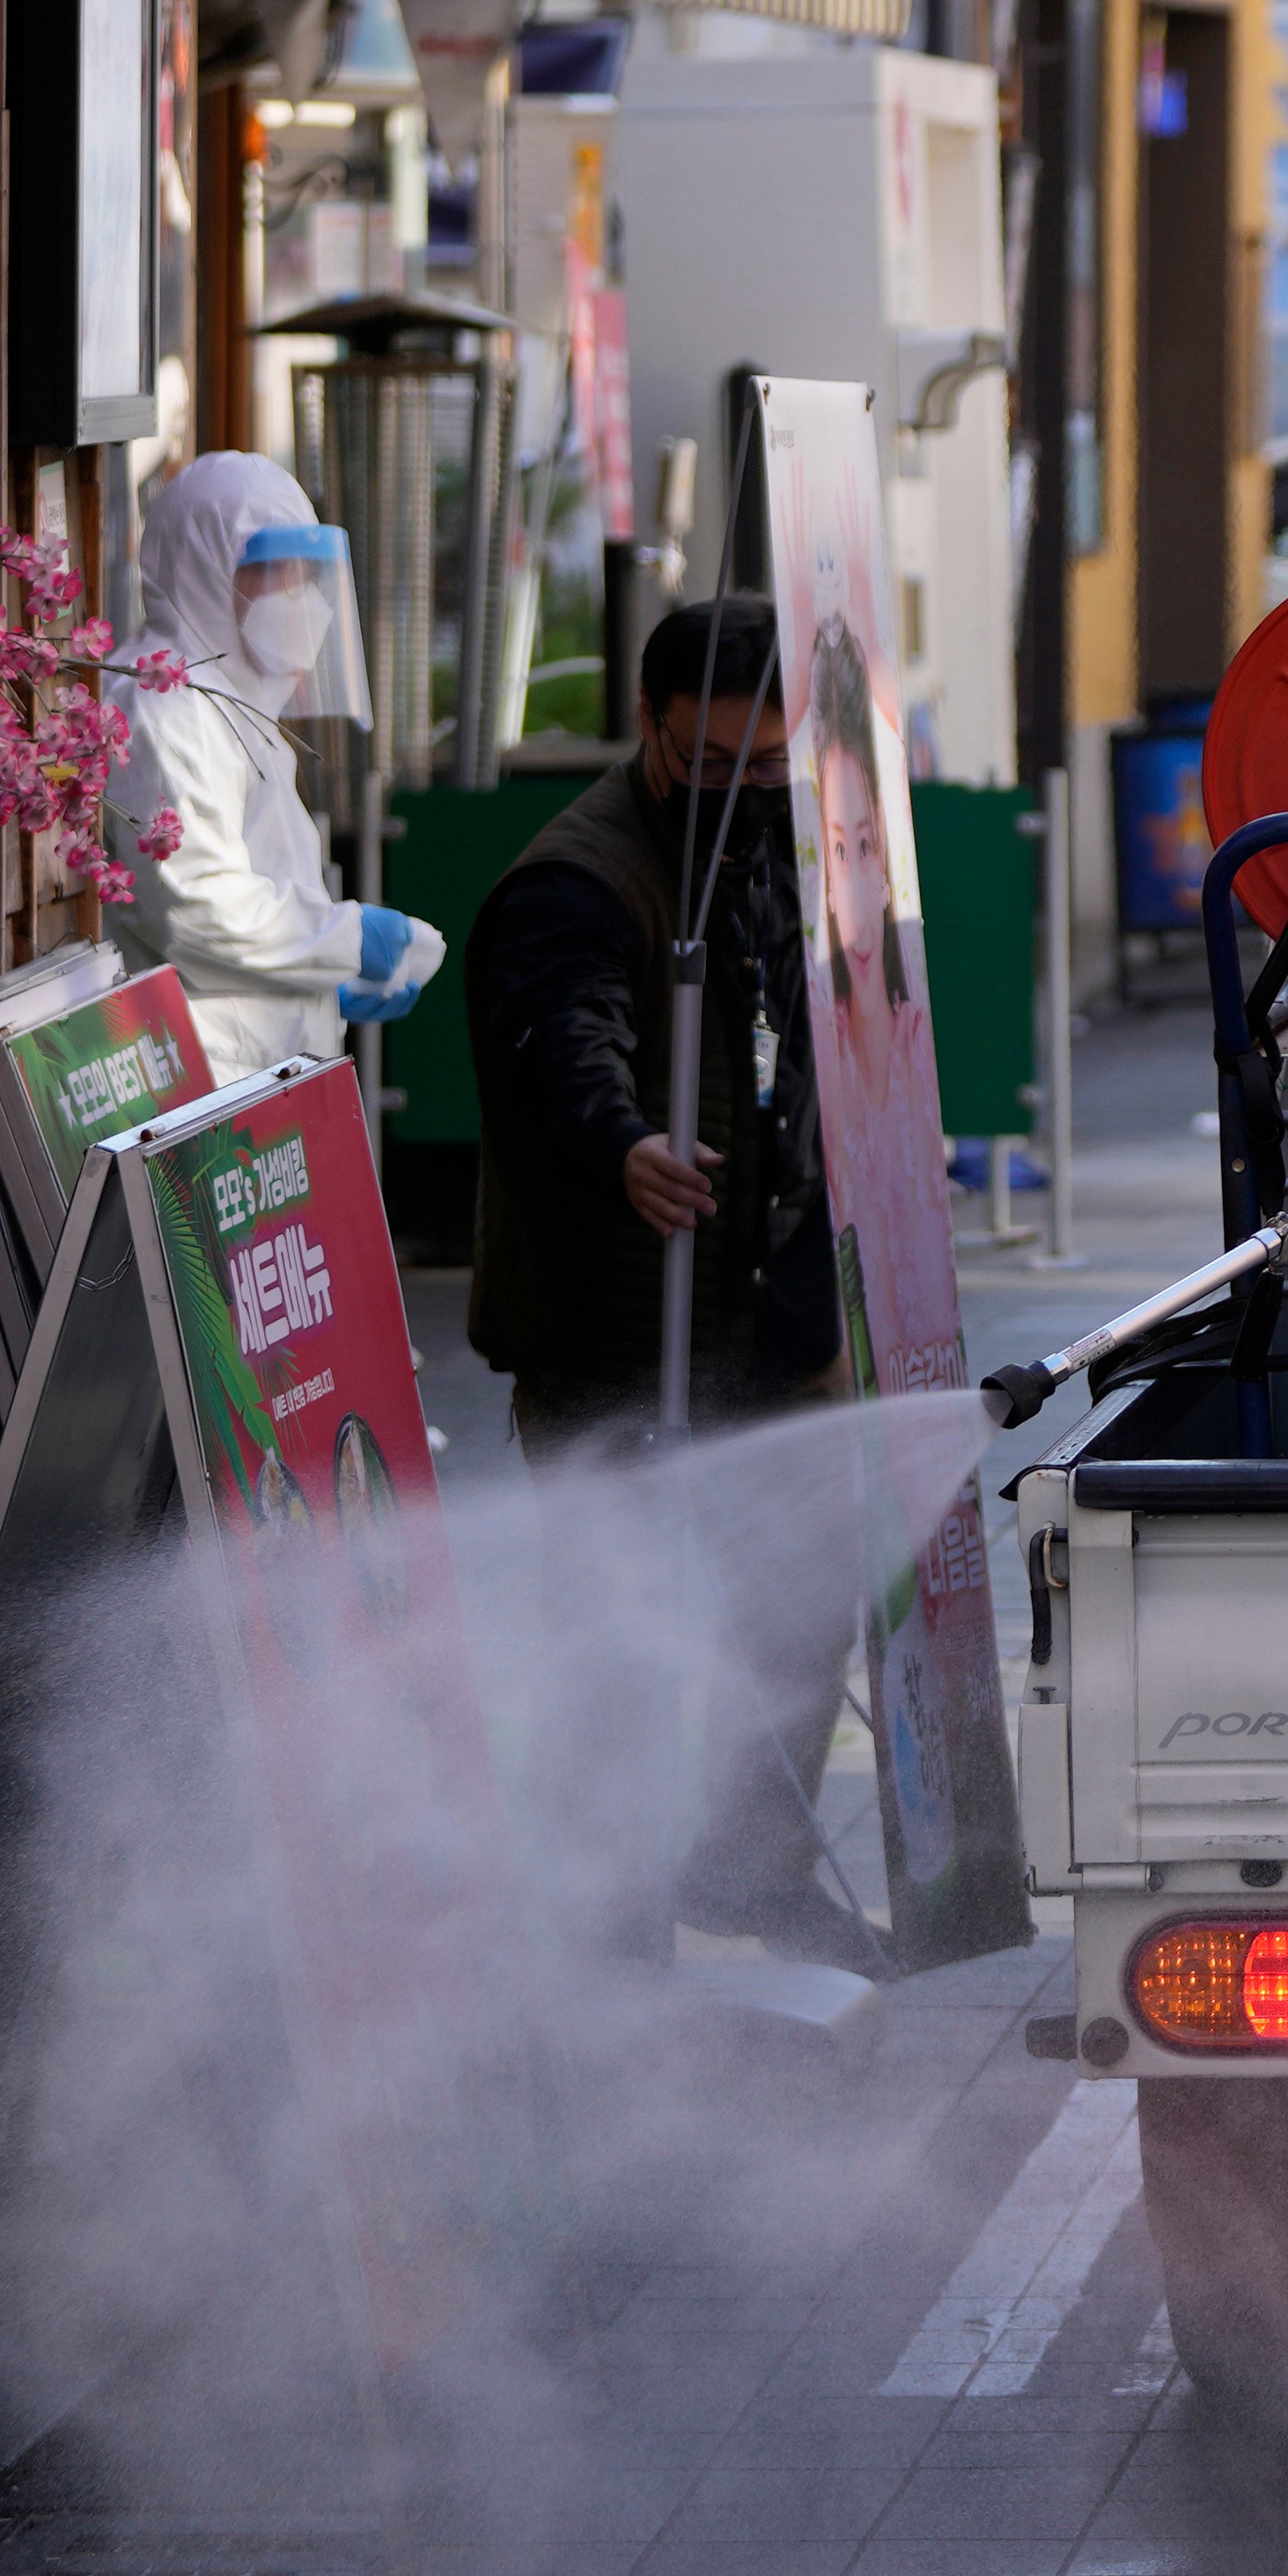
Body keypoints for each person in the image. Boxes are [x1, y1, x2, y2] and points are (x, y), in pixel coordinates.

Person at [462, 594, 868, 1966]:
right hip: (616, 1333)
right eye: (710, 765)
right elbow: (553, 1041)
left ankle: (747, 1873)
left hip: (770, 1313)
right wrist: (622, 1144)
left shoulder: (776, 838)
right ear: (648, 726)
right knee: (616, 1652)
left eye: (769, 769)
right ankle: (603, 1943)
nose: (745, 795)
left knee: (808, 1603)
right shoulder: (575, 881)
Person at [107, 451, 436, 1078]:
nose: (301, 596)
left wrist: (321, 985)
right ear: (203, 568)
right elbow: (194, 910)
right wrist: (345, 942)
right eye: (273, 571)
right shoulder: (163, 707)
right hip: (201, 1087)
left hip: (259, 1086)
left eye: (307, 573)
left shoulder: (236, 704)